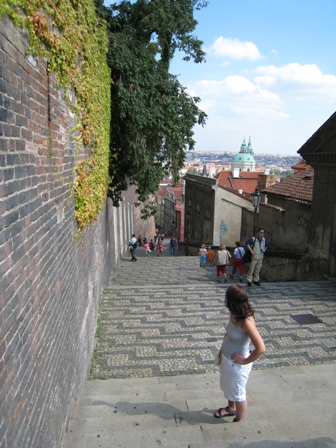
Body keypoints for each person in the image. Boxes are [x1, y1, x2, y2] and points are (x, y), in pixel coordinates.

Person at [213, 284, 265, 422]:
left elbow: (261, 348)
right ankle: (231, 408)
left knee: (238, 393)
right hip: (226, 358)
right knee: (228, 387)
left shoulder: (246, 321)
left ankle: (238, 418)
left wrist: (245, 360)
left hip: (236, 365)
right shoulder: (234, 314)